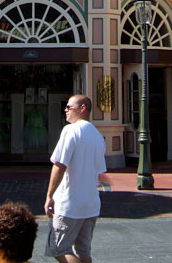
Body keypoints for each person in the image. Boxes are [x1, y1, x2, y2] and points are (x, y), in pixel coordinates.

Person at [44, 94, 106, 263]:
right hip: (91, 204)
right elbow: (99, 170)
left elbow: (60, 164)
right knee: (84, 251)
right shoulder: (98, 136)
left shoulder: (71, 130)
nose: (65, 110)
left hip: (69, 204)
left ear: (82, 108)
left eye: (69, 107)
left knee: (58, 248)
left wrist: (50, 195)